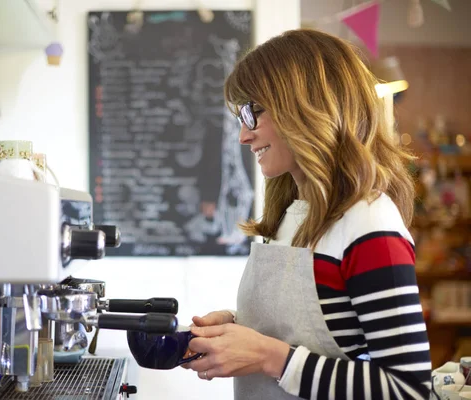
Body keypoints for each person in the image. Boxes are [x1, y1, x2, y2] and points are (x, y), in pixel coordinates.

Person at [183, 29, 431, 400]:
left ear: (306, 107)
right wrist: (237, 331)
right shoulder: (290, 214)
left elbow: (407, 389)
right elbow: (321, 332)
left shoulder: (368, 223)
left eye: (253, 112)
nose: (243, 136)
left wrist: (271, 358)